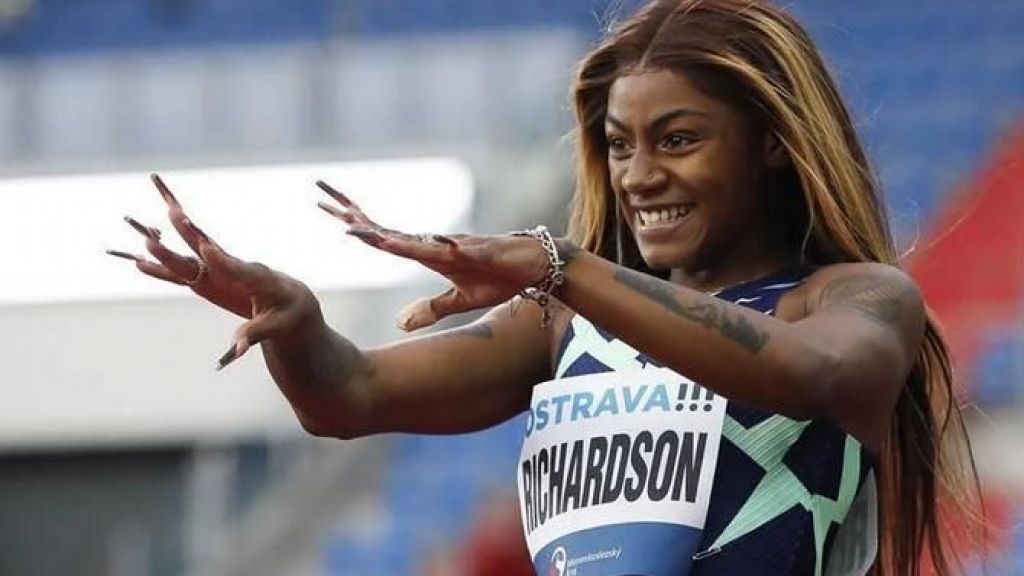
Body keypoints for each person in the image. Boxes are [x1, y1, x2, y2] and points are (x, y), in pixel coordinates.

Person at [108, 0, 981, 574]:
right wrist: (297, 324)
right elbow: (349, 394)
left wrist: (565, 266)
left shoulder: (852, 300)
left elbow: (814, 375)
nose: (638, 174)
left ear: (771, 144)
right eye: (620, 144)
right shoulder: (566, 322)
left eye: (678, 140)